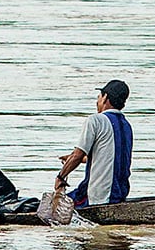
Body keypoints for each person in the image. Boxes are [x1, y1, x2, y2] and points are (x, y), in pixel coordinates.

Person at [54, 79, 133, 207]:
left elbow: (77, 155)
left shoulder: (96, 120)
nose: (97, 102)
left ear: (105, 97)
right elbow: (108, 156)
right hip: (120, 194)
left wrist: (61, 177)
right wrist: (75, 160)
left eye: (98, 97)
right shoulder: (126, 125)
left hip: (98, 197)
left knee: (56, 205)